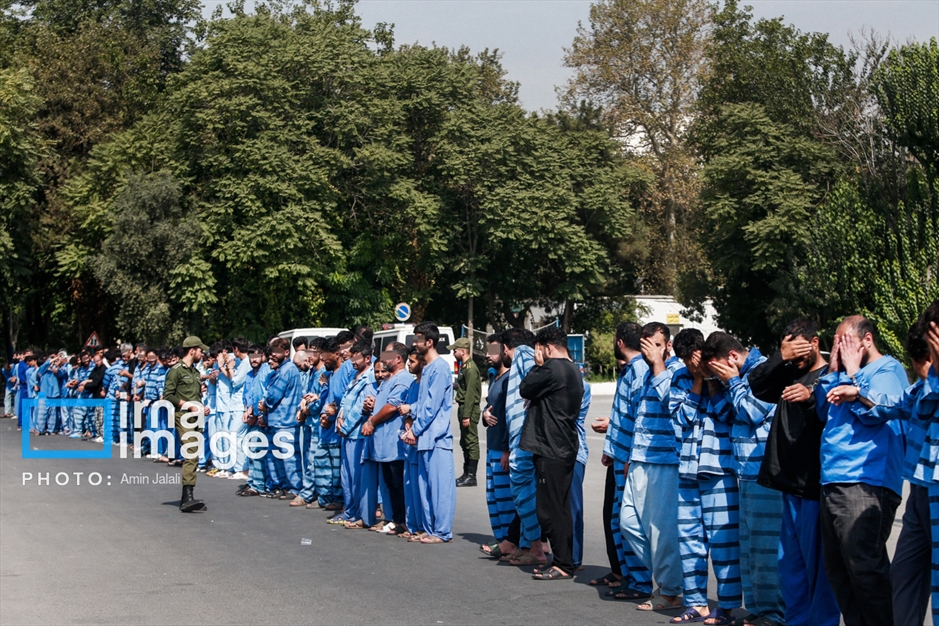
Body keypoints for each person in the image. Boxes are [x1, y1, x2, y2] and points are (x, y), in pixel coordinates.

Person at [815, 316, 909, 626]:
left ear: (866, 340)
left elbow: (877, 412)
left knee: (864, 567)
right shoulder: (841, 373)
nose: (839, 349)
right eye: (835, 344)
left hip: (866, 481)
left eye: (845, 342)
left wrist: (855, 374)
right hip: (833, 478)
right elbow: (822, 409)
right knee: (838, 570)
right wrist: (833, 370)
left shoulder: (888, 369)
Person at [750, 318, 839, 626]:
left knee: (819, 569)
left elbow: (835, 416)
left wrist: (811, 397)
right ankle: (796, 621)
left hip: (815, 484)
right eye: (790, 351)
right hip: (789, 483)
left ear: (815, 343)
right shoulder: (788, 371)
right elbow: (757, 384)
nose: (796, 358)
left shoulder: (831, 374)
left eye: (800, 350)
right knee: (791, 566)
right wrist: (782, 356)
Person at [704, 332, 783, 626]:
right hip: (745, 473)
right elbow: (726, 413)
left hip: (765, 474)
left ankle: (776, 613)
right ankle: (759, 608)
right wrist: (714, 381)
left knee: (766, 550)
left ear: (732, 358)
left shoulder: (765, 371)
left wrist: (733, 382)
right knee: (750, 549)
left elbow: (750, 411)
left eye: (719, 369)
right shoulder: (736, 378)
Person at [669, 329, 740, 625]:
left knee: (723, 543)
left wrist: (711, 379)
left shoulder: (724, 379)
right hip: (687, 471)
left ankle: (725, 606)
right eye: (685, 361)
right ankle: (695, 602)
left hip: (719, 471)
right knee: (689, 541)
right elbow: (678, 420)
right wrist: (697, 380)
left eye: (693, 359)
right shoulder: (680, 380)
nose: (689, 365)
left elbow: (728, 414)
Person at [620, 322, 684, 611]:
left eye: (656, 345)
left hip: (665, 462)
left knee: (661, 531)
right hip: (640, 459)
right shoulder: (643, 373)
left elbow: (674, 404)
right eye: (647, 345)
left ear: (667, 345)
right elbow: (639, 416)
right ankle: (669, 579)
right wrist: (630, 456)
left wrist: (658, 364)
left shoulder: (678, 370)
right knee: (629, 524)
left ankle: (670, 591)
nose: (650, 351)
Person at [519, 325, 584, 581]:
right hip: (563, 446)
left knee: (549, 510)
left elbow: (525, 388)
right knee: (560, 508)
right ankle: (563, 561)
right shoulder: (572, 369)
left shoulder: (553, 367)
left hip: (551, 447)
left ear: (546, 347)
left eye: (540, 350)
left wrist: (536, 365)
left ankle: (563, 564)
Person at [595, 321, 654, 600]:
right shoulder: (631, 370)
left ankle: (640, 582)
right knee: (619, 520)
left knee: (629, 522)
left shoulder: (639, 371)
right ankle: (628, 577)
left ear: (619, 342)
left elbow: (640, 419)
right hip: (621, 457)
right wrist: (612, 446)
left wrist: (629, 454)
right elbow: (625, 416)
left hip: (630, 460)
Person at [403, 321, 455, 544]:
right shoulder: (428, 369)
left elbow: (431, 406)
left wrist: (414, 428)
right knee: (424, 488)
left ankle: (442, 532)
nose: (415, 343)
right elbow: (422, 403)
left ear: (430, 342)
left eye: (417, 339)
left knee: (440, 488)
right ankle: (429, 528)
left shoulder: (441, 367)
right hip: (424, 438)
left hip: (437, 438)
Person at [502, 328, 546, 566]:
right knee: (524, 494)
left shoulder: (523, 354)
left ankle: (537, 548)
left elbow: (538, 378)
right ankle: (527, 544)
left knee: (523, 494)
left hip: (524, 438)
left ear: (507, 348)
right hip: (520, 437)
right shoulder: (524, 357)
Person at [362, 342, 412, 535]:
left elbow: (392, 406)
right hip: (383, 444)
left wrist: (372, 422)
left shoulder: (403, 378)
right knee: (390, 484)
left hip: (394, 444)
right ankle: (394, 519)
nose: (383, 359)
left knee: (398, 483)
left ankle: (403, 521)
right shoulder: (389, 380)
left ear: (398, 359)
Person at [163, 336, 211, 512]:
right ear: (192, 350)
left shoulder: (195, 372)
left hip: (196, 416)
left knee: (195, 455)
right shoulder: (176, 370)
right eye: (200, 350)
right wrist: (189, 405)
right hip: (183, 416)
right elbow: (168, 394)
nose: (202, 353)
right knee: (191, 453)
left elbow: (195, 395)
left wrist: (200, 406)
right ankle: (187, 497)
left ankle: (187, 497)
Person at [479, 333, 516, 558]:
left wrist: (507, 449)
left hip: (503, 449)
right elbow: (489, 406)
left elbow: (513, 417)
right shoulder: (493, 377)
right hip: (491, 446)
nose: (487, 355)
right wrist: (484, 414)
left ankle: (509, 542)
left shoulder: (511, 378)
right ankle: (500, 539)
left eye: (492, 351)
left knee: (506, 501)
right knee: (493, 497)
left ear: (503, 351)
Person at [334, 340, 378, 529]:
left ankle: (359, 513)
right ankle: (350, 510)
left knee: (357, 476)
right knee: (347, 476)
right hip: (347, 433)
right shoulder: (354, 374)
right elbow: (345, 401)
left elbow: (361, 407)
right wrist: (339, 417)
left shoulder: (370, 378)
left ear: (367, 358)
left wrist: (345, 426)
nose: (352, 360)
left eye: (356, 356)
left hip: (356, 434)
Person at [260, 339, 305, 499]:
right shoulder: (281, 369)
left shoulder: (287, 370)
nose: (273, 354)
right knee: (279, 456)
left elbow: (274, 395)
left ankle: (293, 488)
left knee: (288, 458)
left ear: (286, 352)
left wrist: (264, 403)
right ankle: (284, 487)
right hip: (278, 420)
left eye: (277, 351)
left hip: (286, 421)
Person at [398, 347, 426, 539]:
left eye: (413, 361)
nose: (409, 364)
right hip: (408, 440)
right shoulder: (412, 385)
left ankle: (423, 527)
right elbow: (407, 409)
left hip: (419, 439)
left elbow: (425, 407)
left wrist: (412, 414)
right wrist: (407, 420)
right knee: (409, 486)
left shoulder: (424, 383)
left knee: (420, 487)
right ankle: (412, 525)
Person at [451, 337, 482, 487]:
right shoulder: (465, 366)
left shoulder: (471, 368)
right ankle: (465, 473)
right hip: (464, 407)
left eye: (455, 351)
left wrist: (466, 415)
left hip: (469, 408)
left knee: (471, 442)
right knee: (464, 442)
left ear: (463, 351)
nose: (453, 353)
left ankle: (472, 475)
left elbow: (470, 394)